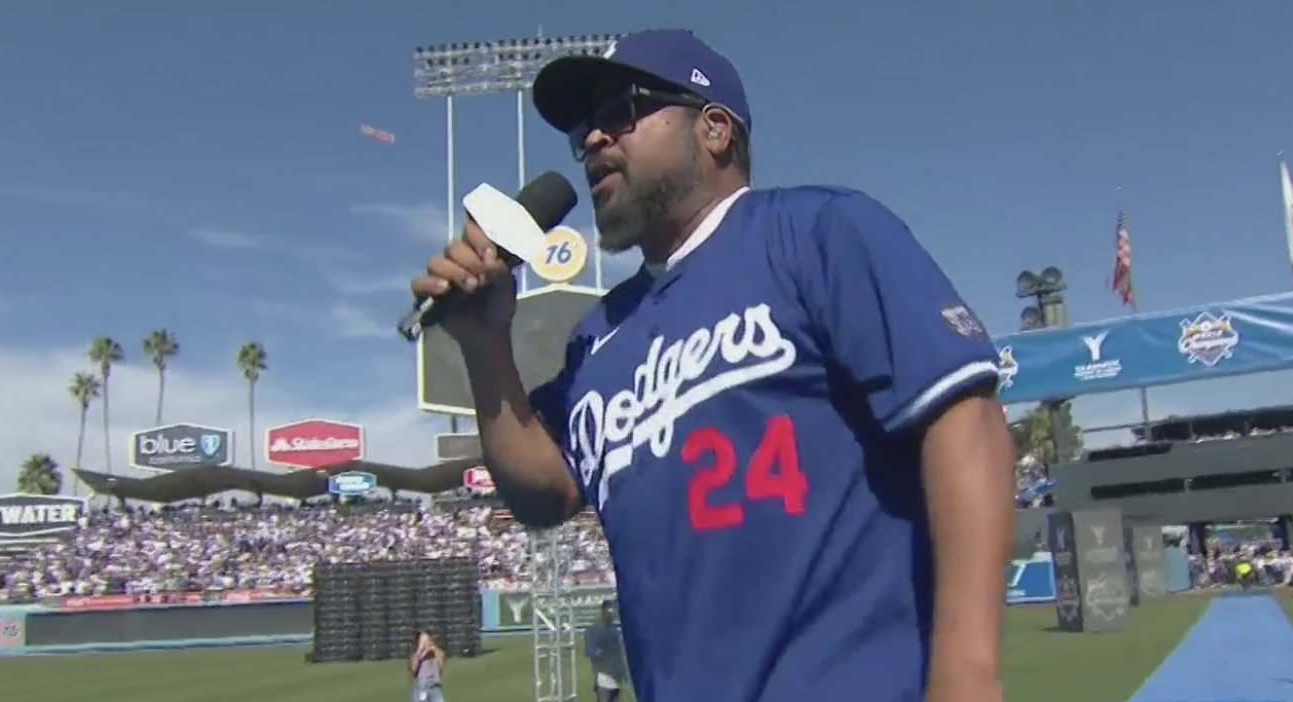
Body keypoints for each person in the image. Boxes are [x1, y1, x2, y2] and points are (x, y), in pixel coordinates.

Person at [409, 28, 1015, 702]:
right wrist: (484, 345)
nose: (591, 141)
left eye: (619, 113)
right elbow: (544, 495)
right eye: (583, 127)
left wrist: (967, 679)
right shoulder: (598, 336)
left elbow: (966, 416)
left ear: (716, 130)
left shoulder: (819, 232)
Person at [584, 600, 628, 702]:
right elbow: (590, 651)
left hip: (614, 676)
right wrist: (598, 653)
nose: (613, 614)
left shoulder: (613, 630)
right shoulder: (597, 629)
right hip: (605, 676)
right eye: (610, 611)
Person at [410, 630, 446, 702]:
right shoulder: (416, 655)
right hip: (421, 688)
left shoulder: (437, 653)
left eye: (427, 640)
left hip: (435, 688)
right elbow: (413, 670)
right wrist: (420, 651)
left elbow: (441, 667)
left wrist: (434, 649)